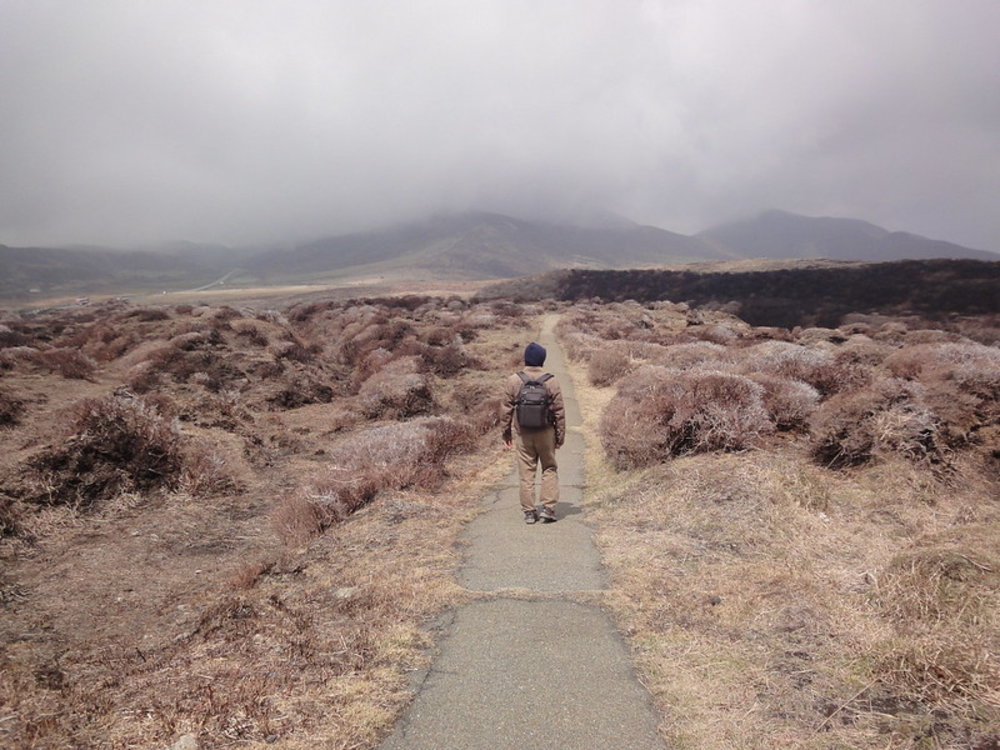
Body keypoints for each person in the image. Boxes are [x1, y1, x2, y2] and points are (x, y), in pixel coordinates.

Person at [501, 342, 566, 524]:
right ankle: (548, 509)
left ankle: (529, 512)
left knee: (526, 473)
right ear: (542, 359)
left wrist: (506, 434)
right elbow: (559, 412)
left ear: (526, 359)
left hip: (523, 433)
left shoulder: (514, 380)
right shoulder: (551, 381)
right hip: (546, 433)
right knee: (549, 468)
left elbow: (505, 410)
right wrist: (560, 437)